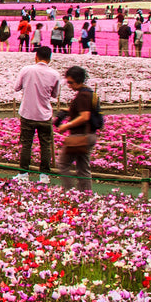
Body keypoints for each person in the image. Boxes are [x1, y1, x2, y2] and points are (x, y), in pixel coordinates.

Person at [13, 46, 60, 183]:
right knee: (45, 145)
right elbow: (55, 94)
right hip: (44, 115)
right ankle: (44, 176)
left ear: (36, 56)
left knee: (26, 144)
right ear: (49, 59)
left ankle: (23, 174)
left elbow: (16, 87)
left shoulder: (26, 70)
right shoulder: (54, 74)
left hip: (27, 114)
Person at [55, 66, 97, 192]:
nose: (69, 85)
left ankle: (70, 191)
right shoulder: (89, 92)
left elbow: (85, 116)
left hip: (80, 136)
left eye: (71, 82)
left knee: (63, 164)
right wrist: (69, 111)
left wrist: (66, 125)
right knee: (83, 167)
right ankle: (85, 194)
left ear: (78, 80)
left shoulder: (83, 95)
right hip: (89, 135)